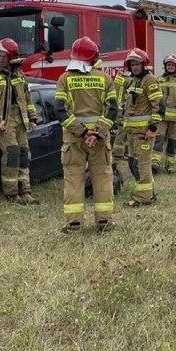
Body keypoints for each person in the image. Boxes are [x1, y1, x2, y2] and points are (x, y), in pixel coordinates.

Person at [54, 36, 118, 233]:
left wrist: (82, 132)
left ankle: (74, 223)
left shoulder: (64, 79)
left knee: (73, 178)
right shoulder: (105, 79)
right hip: (99, 140)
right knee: (102, 178)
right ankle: (104, 222)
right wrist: (96, 133)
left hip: (74, 140)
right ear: (93, 57)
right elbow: (113, 109)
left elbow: (60, 111)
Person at [0, 38, 40, 205]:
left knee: (23, 155)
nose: (0, 58)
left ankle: (25, 192)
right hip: (3, 123)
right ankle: (12, 194)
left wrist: (33, 118)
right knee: (12, 154)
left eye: (3, 55)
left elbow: (27, 99)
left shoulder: (19, 75)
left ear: (11, 56)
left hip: (20, 121)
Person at [120, 48, 163, 206]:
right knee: (132, 163)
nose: (135, 67)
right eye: (132, 64)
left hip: (143, 132)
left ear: (144, 64)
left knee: (142, 164)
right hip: (132, 132)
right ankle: (148, 193)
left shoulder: (149, 80)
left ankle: (143, 198)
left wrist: (152, 128)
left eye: (137, 64)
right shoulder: (132, 81)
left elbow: (159, 105)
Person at [151, 53, 176, 174]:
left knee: (172, 144)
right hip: (161, 118)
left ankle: (170, 165)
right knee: (158, 141)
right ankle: (154, 164)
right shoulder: (158, 80)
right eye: (168, 64)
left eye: (172, 65)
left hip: (175, 120)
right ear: (165, 66)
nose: (170, 66)